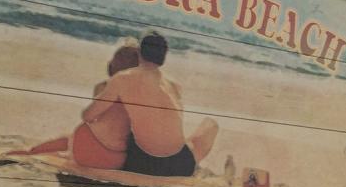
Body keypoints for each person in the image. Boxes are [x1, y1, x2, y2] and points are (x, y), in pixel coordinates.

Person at [98, 31, 220, 178]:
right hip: (169, 164)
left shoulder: (105, 89)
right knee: (210, 126)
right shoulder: (164, 88)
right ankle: (198, 168)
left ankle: (196, 167)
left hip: (134, 162)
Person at [22, 42, 140, 171]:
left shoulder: (102, 87)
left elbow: (90, 118)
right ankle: (33, 152)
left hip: (92, 154)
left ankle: (28, 152)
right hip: (118, 159)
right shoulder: (142, 94)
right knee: (69, 140)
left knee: (67, 140)